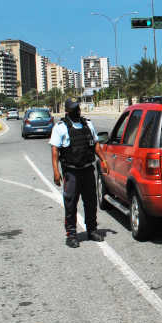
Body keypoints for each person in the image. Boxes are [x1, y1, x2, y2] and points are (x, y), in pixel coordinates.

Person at [50, 99, 108, 248]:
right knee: (70, 204)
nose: (77, 111)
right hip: (71, 172)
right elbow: (55, 150)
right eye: (74, 109)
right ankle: (71, 235)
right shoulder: (60, 127)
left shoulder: (88, 124)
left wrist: (103, 160)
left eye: (78, 108)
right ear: (67, 111)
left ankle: (92, 230)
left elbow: (95, 144)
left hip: (88, 170)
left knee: (91, 202)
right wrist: (56, 171)